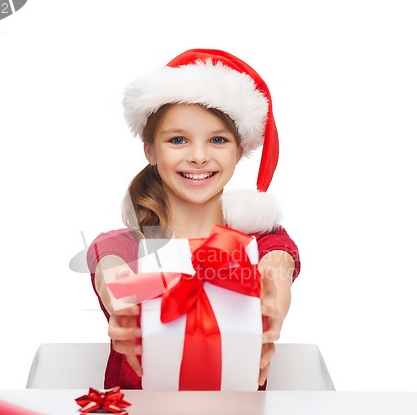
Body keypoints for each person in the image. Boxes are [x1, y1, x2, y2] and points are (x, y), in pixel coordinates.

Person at [87, 49, 300, 390]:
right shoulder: (122, 246)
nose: (199, 157)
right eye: (178, 139)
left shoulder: (259, 243)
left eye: (218, 139)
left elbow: (277, 266)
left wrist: (272, 296)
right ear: (151, 150)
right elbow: (113, 274)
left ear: (239, 150)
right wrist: (124, 302)